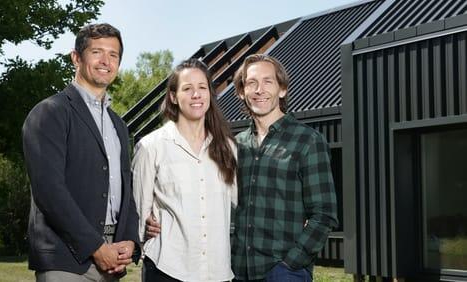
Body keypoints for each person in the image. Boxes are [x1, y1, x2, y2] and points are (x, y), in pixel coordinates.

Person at [22, 23, 140, 281]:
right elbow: (49, 191)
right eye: (97, 52)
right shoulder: (50, 113)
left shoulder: (118, 124)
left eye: (113, 55)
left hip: (113, 258)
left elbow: (127, 190)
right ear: (76, 57)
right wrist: (95, 247)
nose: (105, 61)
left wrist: (130, 240)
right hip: (66, 259)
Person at [230, 54, 338, 281]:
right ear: (242, 92)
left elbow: (324, 214)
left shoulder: (307, 140)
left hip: (284, 272)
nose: (260, 90)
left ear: (282, 90)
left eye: (268, 81)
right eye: (251, 83)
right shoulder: (234, 146)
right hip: (238, 271)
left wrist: (291, 263)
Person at [132, 58, 237, 282]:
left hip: (217, 272)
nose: (196, 95)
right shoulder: (151, 147)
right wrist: (142, 234)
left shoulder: (228, 147)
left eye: (202, 87)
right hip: (167, 269)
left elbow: (244, 200)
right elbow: (138, 211)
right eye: (187, 89)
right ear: (173, 97)